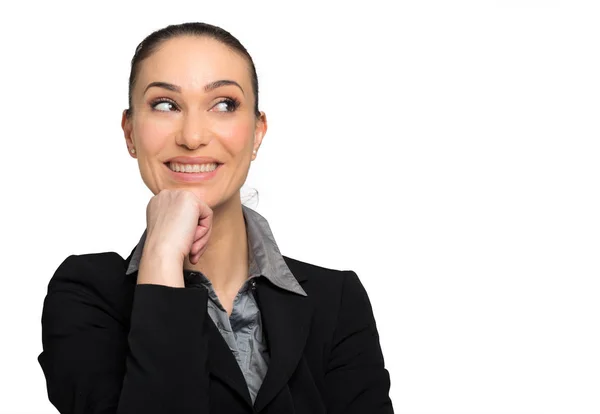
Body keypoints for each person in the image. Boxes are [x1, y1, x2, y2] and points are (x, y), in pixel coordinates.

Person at [38, 22, 394, 414]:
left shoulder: (336, 300)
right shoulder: (87, 297)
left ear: (257, 133)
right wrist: (160, 259)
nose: (192, 136)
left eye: (224, 104)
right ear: (130, 133)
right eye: (165, 105)